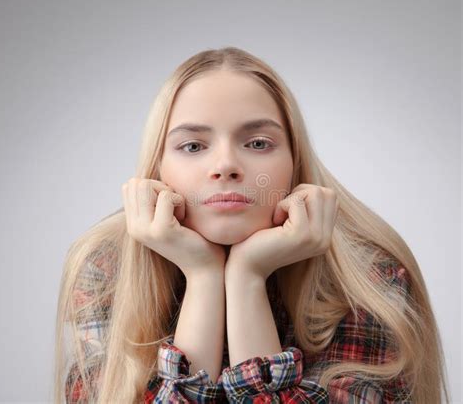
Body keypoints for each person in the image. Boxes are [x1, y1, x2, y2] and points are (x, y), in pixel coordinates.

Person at [54, 47, 449, 403]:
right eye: (193, 146)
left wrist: (247, 278)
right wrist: (203, 276)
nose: (225, 165)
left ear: (295, 161)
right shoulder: (106, 271)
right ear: (158, 166)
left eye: (258, 143)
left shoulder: (368, 280)